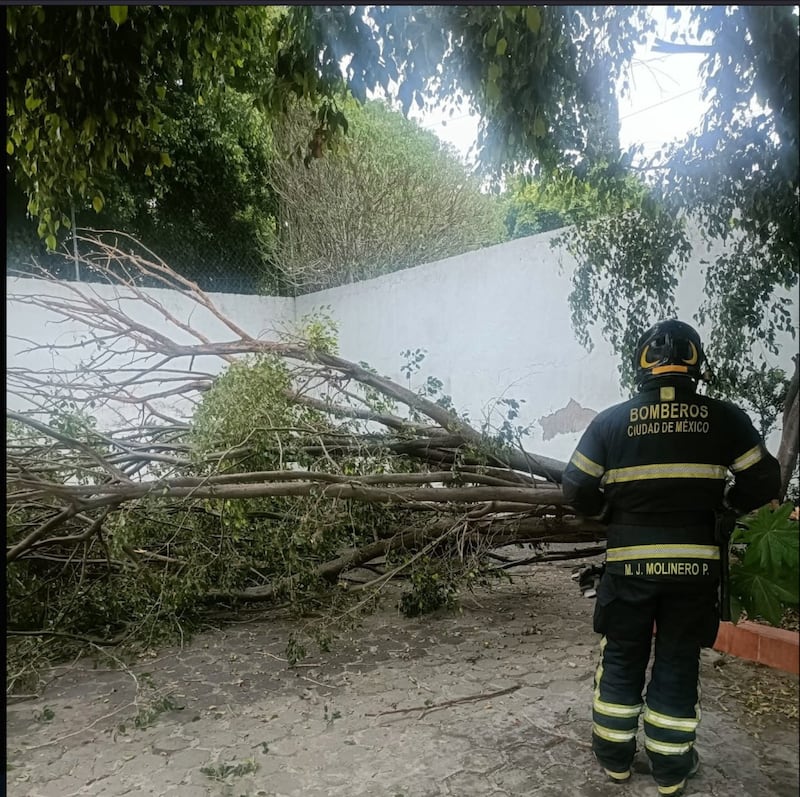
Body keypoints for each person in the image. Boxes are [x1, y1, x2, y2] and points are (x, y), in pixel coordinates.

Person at [562, 319, 781, 796]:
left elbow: (574, 486)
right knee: (679, 661)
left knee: (621, 656)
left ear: (641, 364)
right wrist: (728, 506)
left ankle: (615, 759)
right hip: (694, 568)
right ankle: (670, 768)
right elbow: (765, 480)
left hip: (628, 567)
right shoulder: (725, 418)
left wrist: (608, 512)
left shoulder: (610, 422)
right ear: (696, 363)